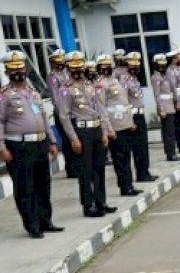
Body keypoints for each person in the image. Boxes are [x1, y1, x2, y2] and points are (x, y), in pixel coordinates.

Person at [0, 51, 63, 238]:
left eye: (20, 69)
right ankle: (32, 225)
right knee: (25, 187)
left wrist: (52, 142)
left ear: (26, 69)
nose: (18, 73)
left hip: (39, 143)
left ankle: (45, 221)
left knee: (43, 185)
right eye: (13, 70)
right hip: (19, 147)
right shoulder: (4, 96)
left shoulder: (33, 93)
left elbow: (44, 118)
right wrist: (2, 148)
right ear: (7, 72)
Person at [57, 51, 116, 218]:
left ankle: (101, 202)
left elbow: (100, 109)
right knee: (85, 171)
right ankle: (88, 205)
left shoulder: (90, 85)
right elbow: (64, 116)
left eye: (79, 67)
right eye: (73, 67)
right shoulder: (65, 89)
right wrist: (73, 138)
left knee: (99, 168)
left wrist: (104, 132)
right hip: (81, 132)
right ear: (68, 68)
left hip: (96, 129)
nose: (77, 70)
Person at [96, 54, 140, 197]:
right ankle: (124, 187)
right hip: (115, 127)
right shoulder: (100, 85)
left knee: (127, 156)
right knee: (119, 159)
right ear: (99, 68)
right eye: (104, 65)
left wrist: (130, 122)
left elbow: (125, 103)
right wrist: (108, 129)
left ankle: (130, 184)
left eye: (109, 65)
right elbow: (101, 109)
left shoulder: (116, 80)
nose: (107, 68)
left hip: (125, 124)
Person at [121, 51, 157, 182]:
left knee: (143, 146)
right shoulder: (124, 80)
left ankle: (145, 171)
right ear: (127, 65)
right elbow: (124, 101)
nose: (135, 67)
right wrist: (129, 120)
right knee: (137, 147)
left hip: (140, 114)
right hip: (133, 116)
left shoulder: (134, 79)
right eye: (132, 65)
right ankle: (141, 174)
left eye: (137, 65)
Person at [47, 48, 78, 178]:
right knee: (67, 141)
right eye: (58, 62)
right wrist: (63, 114)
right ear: (53, 62)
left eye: (62, 61)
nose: (61, 64)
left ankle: (77, 166)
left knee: (75, 138)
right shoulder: (53, 77)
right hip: (62, 113)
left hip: (73, 112)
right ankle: (71, 168)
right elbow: (55, 97)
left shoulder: (67, 74)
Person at [152, 54, 180, 161]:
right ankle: (170, 154)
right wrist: (161, 109)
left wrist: (177, 101)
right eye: (160, 64)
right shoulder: (156, 78)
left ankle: (172, 152)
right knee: (168, 132)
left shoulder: (165, 76)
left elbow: (172, 90)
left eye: (163, 64)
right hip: (164, 107)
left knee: (171, 131)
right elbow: (157, 95)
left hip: (170, 105)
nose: (162, 66)